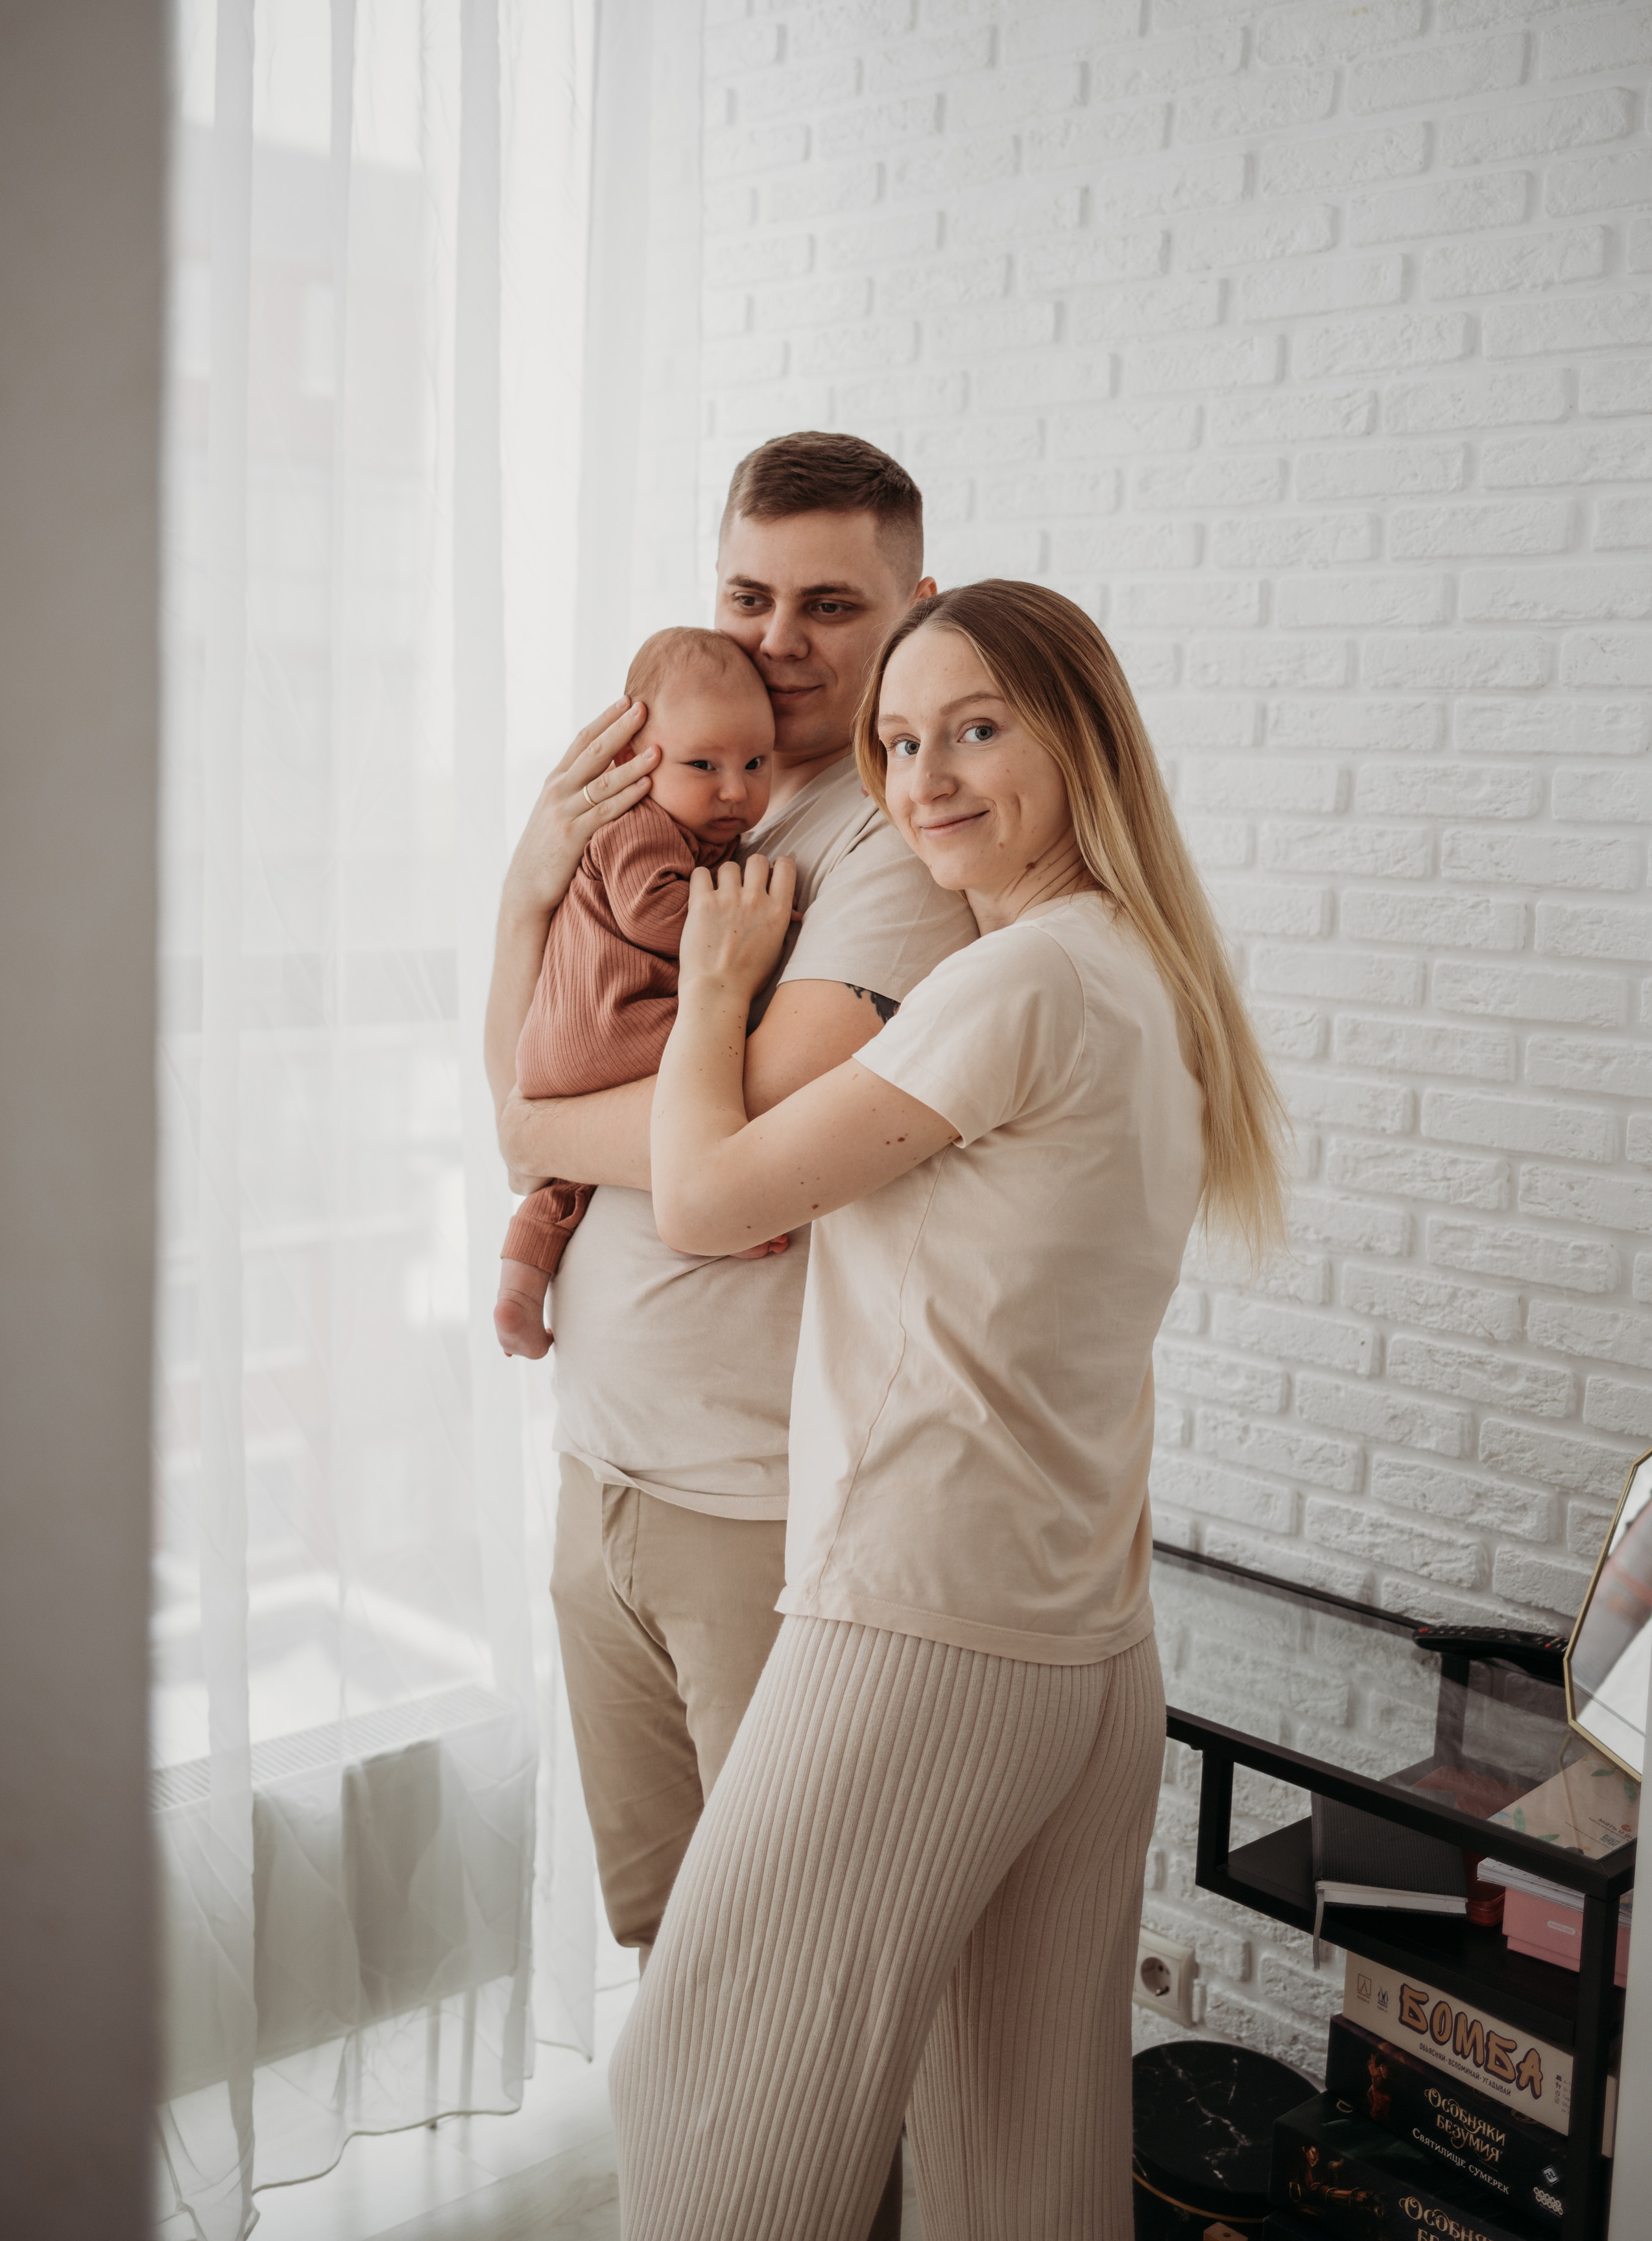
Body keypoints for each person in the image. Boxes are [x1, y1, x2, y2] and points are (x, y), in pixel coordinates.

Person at [611, 580, 1289, 2241]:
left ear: (1078, 737)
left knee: (704, 2096)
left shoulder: (1016, 985)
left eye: (974, 729)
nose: (923, 777)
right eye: (899, 741)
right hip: (1085, 1650)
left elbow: (698, 1197)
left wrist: (713, 983)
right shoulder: (1142, 973)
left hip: (921, 1626)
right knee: (1021, 2163)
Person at [483, 437, 975, 1988]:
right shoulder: (693, 801)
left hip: (754, 1503)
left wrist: (534, 1129)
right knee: (664, 1943)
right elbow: (536, 1062)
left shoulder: (891, 845)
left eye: (829, 604)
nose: (776, 641)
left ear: (916, 606)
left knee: (779, 1970)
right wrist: (525, 885)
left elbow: (738, 1134)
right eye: (747, 596)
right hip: (600, 1470)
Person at [492, 627, 783, 1361]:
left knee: (568, 1179)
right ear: (631, 759)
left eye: (756, 763)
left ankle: (519, 1288)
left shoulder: (692, 825)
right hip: (611, 1026)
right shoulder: (637, 823)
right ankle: (715, 1218)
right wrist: (762, 923)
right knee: (715, 1082)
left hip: (564, 1054)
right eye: (703, 765)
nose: (735, 789)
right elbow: (652, 913)